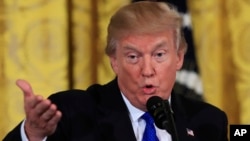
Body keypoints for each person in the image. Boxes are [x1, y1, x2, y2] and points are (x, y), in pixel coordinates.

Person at [3, 1, 228, 141]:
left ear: (179, 58)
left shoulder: (208, 122)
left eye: (159, 55)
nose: (147, 70)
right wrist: (32, 134)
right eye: (133, 57)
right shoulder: (72, 113)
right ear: (114, 61)